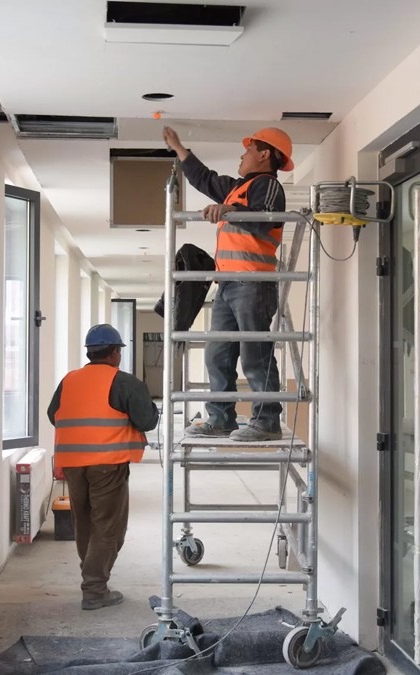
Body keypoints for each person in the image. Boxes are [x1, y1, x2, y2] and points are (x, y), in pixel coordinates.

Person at [162, 125, 293, 442]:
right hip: (228, 284)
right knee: (217, 354)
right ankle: (220, 419)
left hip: (253, 282)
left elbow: (267, 217)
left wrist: (231, 210)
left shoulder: (268, 185)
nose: (242, 155)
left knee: (254, 355)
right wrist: (179, 148)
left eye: (248, 150)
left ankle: (267, 422)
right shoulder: (237, 188)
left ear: (264, 154)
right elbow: (204, 179)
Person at [48, 324, 158, 609]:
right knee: (108, 527)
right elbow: (147, 421)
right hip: (108, 463)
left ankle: (92, 578)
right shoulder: (124, 382)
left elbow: (52, 415)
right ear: (114, 353)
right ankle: (95, 589)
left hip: (74, 464)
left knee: (84, 523)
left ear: (90, 352)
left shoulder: (69, 380)